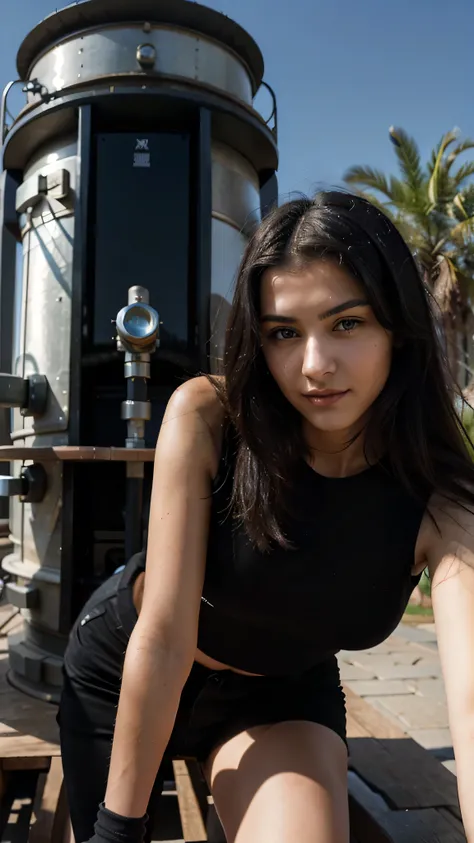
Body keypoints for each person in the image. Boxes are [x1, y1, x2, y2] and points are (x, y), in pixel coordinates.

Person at [58, 191, 474, 843]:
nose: (314, 366)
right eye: (284, 332)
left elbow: (473, 696)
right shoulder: (208, 417)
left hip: (277, 696)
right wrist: (120, 827)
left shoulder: (442, 499)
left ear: (398, 326)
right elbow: (166, 632)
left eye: (347, 323)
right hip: (129, 669)